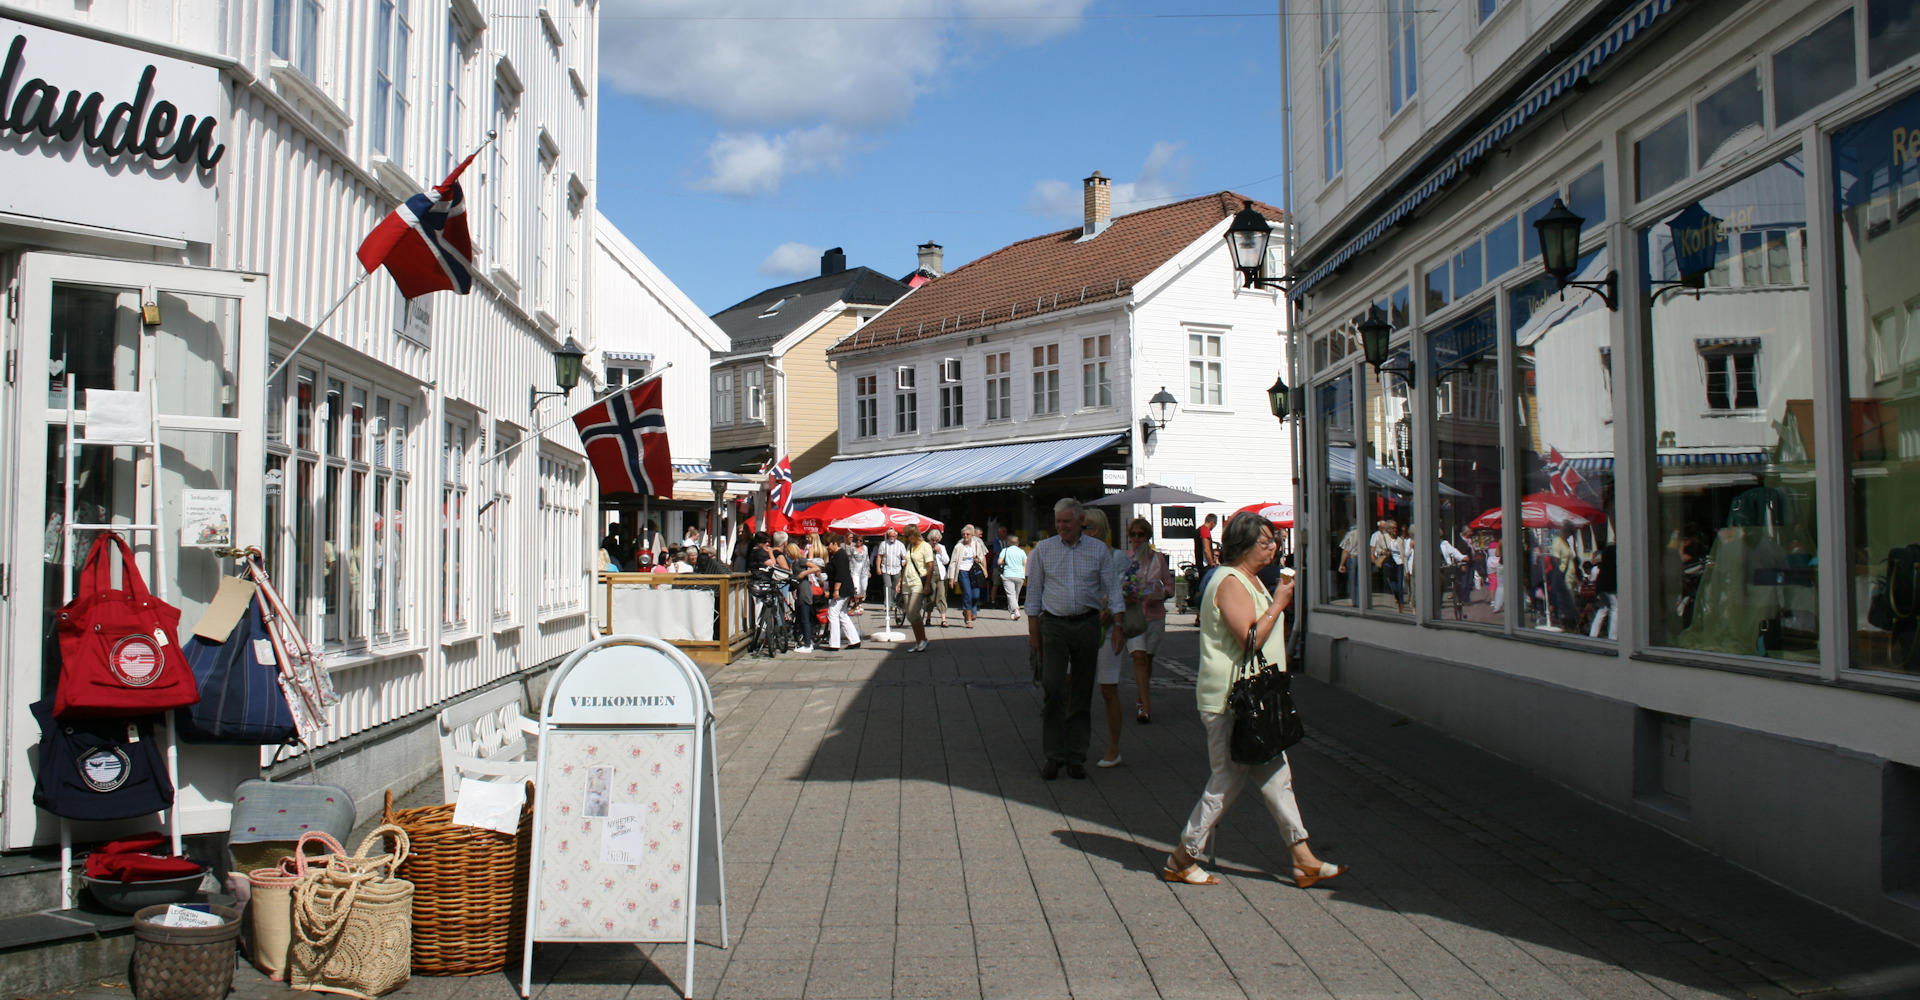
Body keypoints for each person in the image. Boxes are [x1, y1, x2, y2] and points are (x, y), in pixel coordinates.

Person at [1163, 512, 1346, 889]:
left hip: (1254, 701)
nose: (1274, 547)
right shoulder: (1230, 581)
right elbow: (1249, 639)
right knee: (1227, 779)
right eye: (1265, 542)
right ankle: (1183, 856)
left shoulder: (1249, 580)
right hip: (1233, 702)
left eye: (1274, 540)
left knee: (1277, 777)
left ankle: (1303, 858)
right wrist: (1279, 603)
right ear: (1243, 545)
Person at [1026, 498, 1124, 780]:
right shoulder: (1044, 549)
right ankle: (1053, 755)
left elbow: (1114, 590)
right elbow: (1033, 595)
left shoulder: (1098, 551)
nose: (1061, 527)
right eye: (1058, 522)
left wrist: (1118, 626)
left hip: (1087, 624)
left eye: (1066, 522)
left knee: (1081, 691)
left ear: (1080, 521)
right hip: (1054, 625)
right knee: (1054, 688)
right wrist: (1034, 634)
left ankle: (1076, 756)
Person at [1082, 508, 1132, 767]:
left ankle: (1114, 748)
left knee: (1108, 689)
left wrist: (1112, 611)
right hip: (1081, 627)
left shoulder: (1117, 557)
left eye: (1086, 527)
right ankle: (1075, 744)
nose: (1082, 533)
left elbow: (1124, 589)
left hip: (1108, 629)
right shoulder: (1077, 554)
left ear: (1098, 529)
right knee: (1073, 686)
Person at [1122, 517, 1174, 726]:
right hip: (1134, 615)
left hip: (1154, 615)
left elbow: (1170, 587)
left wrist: (1160, 594)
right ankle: (1145, 706)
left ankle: (1141, 696)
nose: (1136, 538)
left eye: (1140, 534)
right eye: (1133, 534)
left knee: (1148, 660)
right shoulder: (1126, 558)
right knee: (1139, 658)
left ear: (1147, 536)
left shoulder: (1158, 559)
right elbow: (1119, 585)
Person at [899, 525, 935, 652]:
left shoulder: (926, 547)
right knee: (909, 614)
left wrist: (927, 585)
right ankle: (919, 641)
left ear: (914, 535)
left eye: (907, 536)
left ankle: (923, 639)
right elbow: (906, 565)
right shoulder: (909, 547)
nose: (906, 538)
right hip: (907, 582)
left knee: (914, 612)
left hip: (918, 582)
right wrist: (900, 580)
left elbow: (930, 566)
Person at [825, 535, 862, 650]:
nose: (827, 547)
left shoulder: (839, 555)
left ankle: (834, 643)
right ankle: (854, 640)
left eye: (828, 544)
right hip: (845, 588)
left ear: (834, 543)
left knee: (833, 613)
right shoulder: (837, 555)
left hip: (841, 589)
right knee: (842, 614)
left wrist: (836, 590)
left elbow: (840, 575)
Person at [950, 524, 989, 628]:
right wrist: (951, 578)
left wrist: (982, 566)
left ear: (972, 535)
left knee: (975, 595)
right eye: (964, 534)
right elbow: (953, 562)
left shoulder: (977, 544)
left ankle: (968, 610)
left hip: (974, 571)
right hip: (963, 571)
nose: (965, 536)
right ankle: (968, 619)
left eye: (967, 534)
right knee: (967, 593)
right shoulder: (958, 546)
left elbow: (982, 556)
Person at [792, 557, 824, 651]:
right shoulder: (795, 562)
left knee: (805, 618)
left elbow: (817, 568)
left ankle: (807, 644)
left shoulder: (801, 560)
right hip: (800, 591)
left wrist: (804, 573)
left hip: (804, 592)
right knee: (801, 618)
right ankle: (807, 641)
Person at [1589, 543, 1618, 640]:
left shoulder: (1603, 565)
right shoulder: (1613, 564)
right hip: (1609, 587)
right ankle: (1613, 636)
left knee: (1603, 609)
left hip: (1600, 587)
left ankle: (1593, 635)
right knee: (1615, 608)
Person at [877, 529, 907, 621]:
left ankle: (894, 604)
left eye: (893, 536)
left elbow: (904, 556)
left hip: (897, 568)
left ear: (896, 536)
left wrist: (904, 561)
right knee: (887, 585)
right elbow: (879, 556)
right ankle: (887, 604)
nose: (892, 538)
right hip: (886, 568)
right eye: (890, 536)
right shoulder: (883, 544)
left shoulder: (900, 545)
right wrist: (878, 567)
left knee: (895, 587)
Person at [927, 528, 952, 627]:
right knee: (930, 598)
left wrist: (940, 552)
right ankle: (928, 617)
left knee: (941, 596)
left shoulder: (942, 547)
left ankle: (943, 620)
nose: (934, 542)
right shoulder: (926, 547)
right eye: (933, 540)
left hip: (941, 576)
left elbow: (946, 561)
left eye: (936, 540)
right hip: (930, 576)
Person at [999, 534, 1027, 619]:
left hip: (1008, 574)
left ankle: (1015, 610)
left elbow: (999, 562)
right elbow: (1025, 563)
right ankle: (1012, 613)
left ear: (1008, 542)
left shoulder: (1005, 550)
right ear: (1017, 542)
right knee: (1016, 595)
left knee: (1011, 594)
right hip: (1019, 575)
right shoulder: (1022, 551)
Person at [847, 535, 871, 616]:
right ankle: (857, 604)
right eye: (857, 540)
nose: (858, 542)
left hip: (864, 570)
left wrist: (869, 571)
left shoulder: (865, 548)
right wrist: (849, 571)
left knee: (864, 587)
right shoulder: (852, 548)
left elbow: (867, 559)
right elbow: (850, 560)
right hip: (855, 571)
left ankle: (860, 602)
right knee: (856, 587)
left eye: (860, 541)